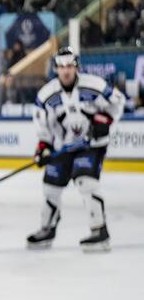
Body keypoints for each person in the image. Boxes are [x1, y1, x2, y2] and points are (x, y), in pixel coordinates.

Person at [27, 47, 125, 252]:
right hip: (63, 148)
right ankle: (47, 228)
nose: (66, 71)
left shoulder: (94, 85)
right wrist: (43, 147)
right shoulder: (46, 95)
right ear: (56, 69)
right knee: (51, 186)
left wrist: (105, 121)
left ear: (76, 67)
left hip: (91, 145)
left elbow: (118, 101)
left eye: (70, 66)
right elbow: (43, 126)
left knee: (85, 181)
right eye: (62, 67)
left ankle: (99, 230)